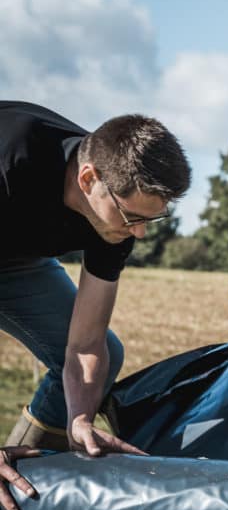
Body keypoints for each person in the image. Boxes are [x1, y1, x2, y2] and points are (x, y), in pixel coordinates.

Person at [0, 101, 192, 462]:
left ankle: (30, 486)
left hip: (15, 256)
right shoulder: (12, 163)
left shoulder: (116, 220)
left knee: (105, 355)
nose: (140, 233)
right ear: (88, 179)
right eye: (132, 216)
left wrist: (80, 418)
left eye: (151, 220)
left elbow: (85, 343)